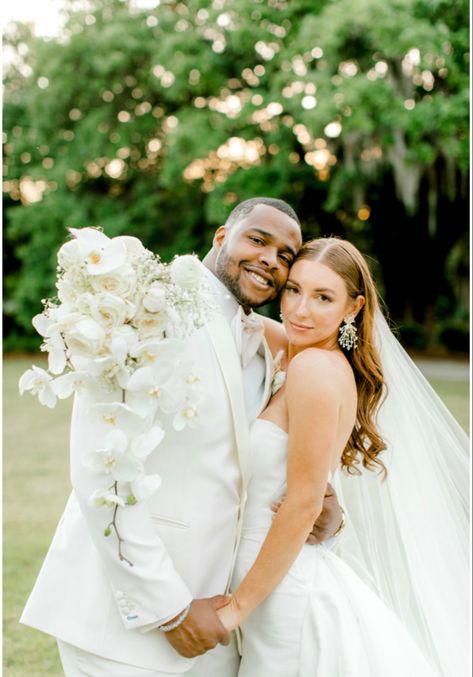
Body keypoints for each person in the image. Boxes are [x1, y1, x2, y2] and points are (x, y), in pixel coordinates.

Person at [20, 198, 344, 676]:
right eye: (258, 239)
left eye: (285, 255)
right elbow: (101, 472)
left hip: (216, 618)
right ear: (221, 237)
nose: (270, 259)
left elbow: (260, 458)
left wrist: (322, 504)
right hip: (123, 619)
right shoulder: (142, 308)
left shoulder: (267, 348)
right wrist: (167, 609)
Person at [212, 238, 470, 676]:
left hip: (281, 594)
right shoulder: (302, 355)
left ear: (352, 308)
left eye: (323, 297)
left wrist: (237, 608)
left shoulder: (314, 370)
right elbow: (236, 319)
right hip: (272, 580)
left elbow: (305, 501)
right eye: (293, 290)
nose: (299, 310)